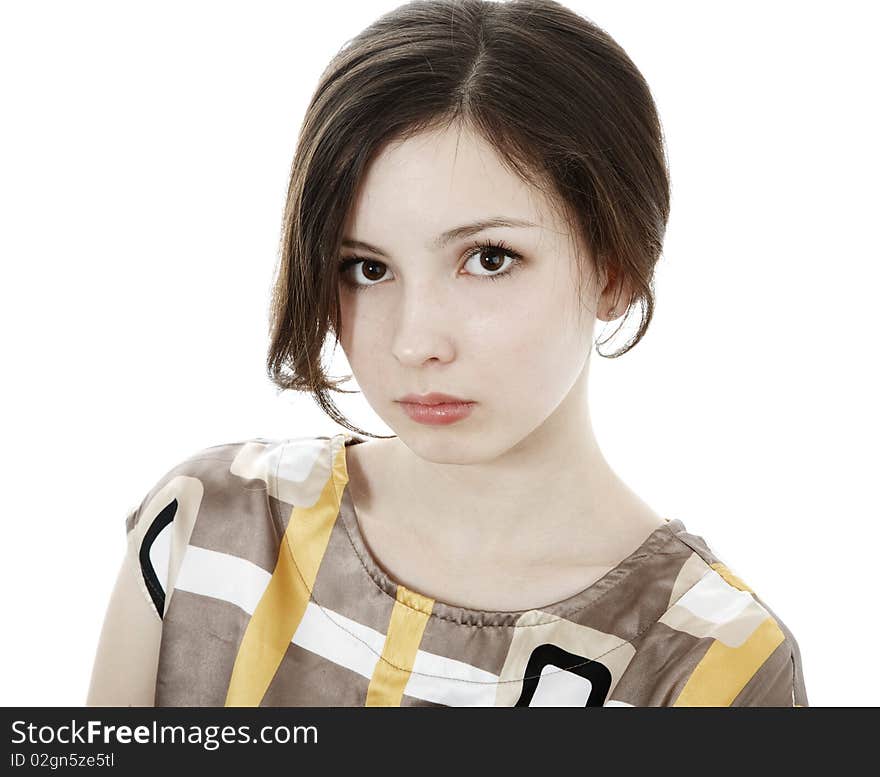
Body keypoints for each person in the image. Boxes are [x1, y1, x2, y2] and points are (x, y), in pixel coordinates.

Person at [87, 0, 808, 707]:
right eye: (366, 268)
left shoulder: (710, 662)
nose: (414, 341)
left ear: (615, 266)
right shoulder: (209, 531)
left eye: (489, 258)